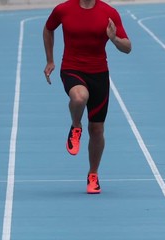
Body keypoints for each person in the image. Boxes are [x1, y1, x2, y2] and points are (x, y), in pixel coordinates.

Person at [43, 0, 131, 194]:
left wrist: (114, 38)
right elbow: (48, 28)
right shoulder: (63, 10)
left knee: (97, 129)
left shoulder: (109, 13)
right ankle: (76, 125)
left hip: (99, 74)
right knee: (79, 97)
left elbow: (127, 47)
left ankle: (93, 175)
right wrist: (50, 59)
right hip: (72, 68)